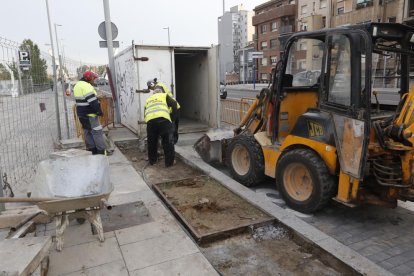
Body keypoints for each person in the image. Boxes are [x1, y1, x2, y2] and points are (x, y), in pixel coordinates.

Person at [74, 70, 106, 155]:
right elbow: (92, 101)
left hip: (81, 113)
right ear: (89, 78)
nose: (93, 80)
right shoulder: (86, 86)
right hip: (90, 114)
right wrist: (99, 111)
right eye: (93, 78)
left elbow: (83, 99)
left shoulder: (77, 85)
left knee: (87, 131)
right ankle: (101, 152)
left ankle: (92, 151)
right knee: (97, 132)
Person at [144, 87, 178, 167]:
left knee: (152, 142)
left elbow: (145, 111)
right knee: (167, 142)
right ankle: (169, 163)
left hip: (151, 122)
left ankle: (153, 161)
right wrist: (172, 118)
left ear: (153, 93)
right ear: (161, 92)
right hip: (164, 121)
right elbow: (174, 104)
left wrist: (148, 122)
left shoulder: (149, 99)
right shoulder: (164, 95)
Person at [147, 78, 180, 144]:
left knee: (172, 127)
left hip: (173, 108)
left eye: (150, 87)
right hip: (174, 107)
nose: (151, 89)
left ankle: (172, 143)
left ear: (152, 84)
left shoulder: (158, 87)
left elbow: (160, 99)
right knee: (173, 127)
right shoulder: (160, 85)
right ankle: (172, 142)